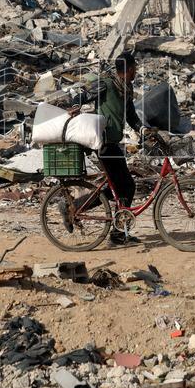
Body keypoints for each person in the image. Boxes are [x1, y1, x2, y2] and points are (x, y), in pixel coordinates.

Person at [63, 51, 142, 245]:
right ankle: (73, 208)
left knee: (125, 187)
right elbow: (82, 95)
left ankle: (116, 232)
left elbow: (131, 116)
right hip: (103, 145)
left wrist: (143, 130)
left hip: (113, 144)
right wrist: (75, 105)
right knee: (123, 186)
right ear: (130, 69)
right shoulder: (106, 84)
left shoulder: (126, 89)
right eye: (135, 69)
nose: (135, 73)